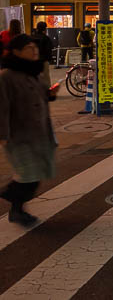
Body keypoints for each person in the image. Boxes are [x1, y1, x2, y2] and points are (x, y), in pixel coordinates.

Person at [0, 35, 60, 225]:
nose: (34, 50)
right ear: (16, 51)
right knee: (29, 175)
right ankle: (12, 203)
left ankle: (15, 206)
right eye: (28, 47)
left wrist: (50, 94)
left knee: (35, 174)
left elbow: (42, 95)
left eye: (34, 46)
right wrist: (3, 135)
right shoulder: (6, 77)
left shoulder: (34, 71)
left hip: (40, 133)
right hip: (19, 136)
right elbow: (2, 108)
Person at [31, 22, 54, 87]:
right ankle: (47, 92)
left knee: (34, 76)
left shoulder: (32, 37)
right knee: (46, 77)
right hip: (43, 61)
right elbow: (49, 49)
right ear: (44, 29)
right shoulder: (46, 38)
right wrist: (49, 59)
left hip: (33, 61)